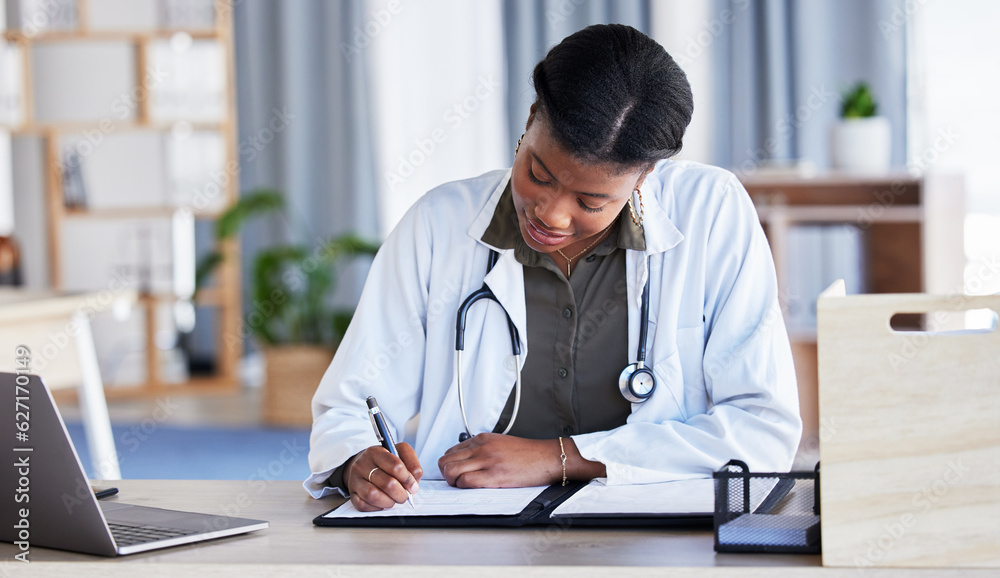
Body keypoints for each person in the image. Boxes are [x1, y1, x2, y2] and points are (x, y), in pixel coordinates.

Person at [305, 24, 801, 511]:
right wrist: (357, 463)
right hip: (468, 535)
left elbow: (761, 429)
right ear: (530, 118)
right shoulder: (438, 226)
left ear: (645, 175)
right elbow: (350, 407)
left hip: (653, 535)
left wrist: (560, 458)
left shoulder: (711, 214)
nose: (550, 214)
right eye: (538, 174)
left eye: (590, 201)